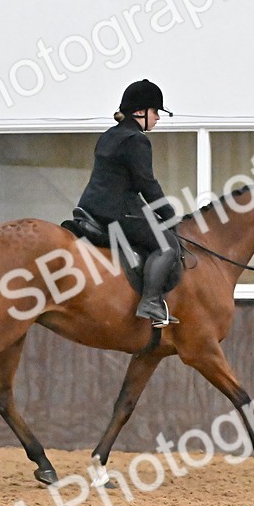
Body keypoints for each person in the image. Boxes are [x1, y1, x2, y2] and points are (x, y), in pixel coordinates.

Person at [76, 79, 181, 327]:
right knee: (167, 245)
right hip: (117, 210)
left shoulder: (109, 135)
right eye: (155, 112)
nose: (158, 118)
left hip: (90, 206)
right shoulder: (136, 140)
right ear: (140, 112)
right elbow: (147, 184)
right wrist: (168, 215)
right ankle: (151, 302)